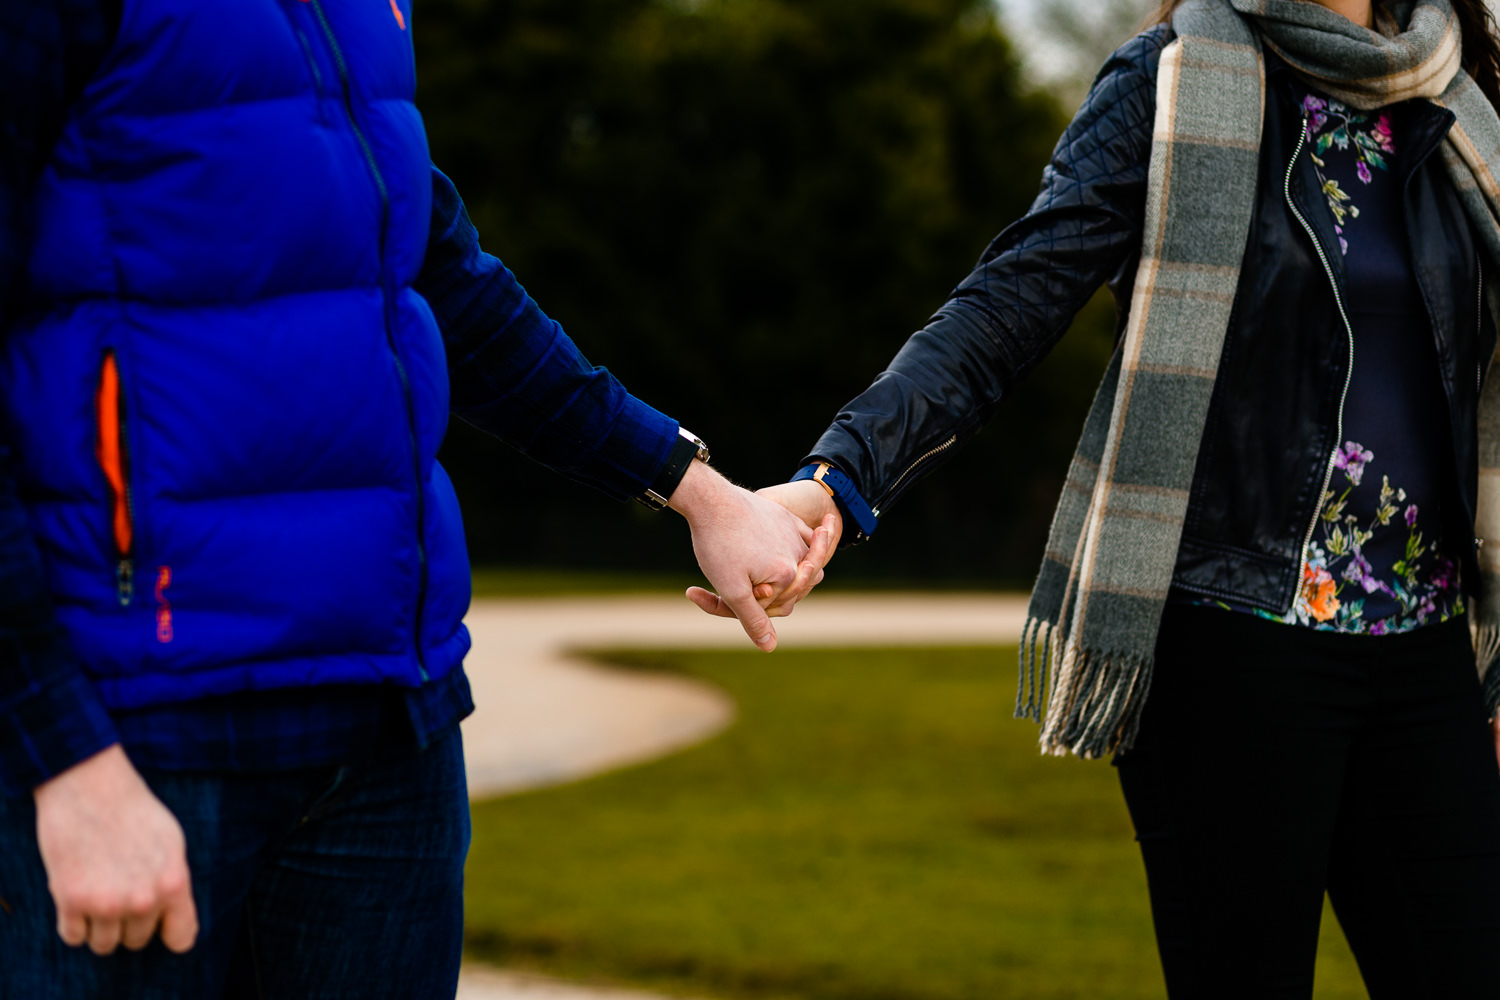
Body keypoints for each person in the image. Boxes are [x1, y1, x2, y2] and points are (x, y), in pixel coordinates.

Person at [0, 1, 832, 996]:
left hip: (393, 735)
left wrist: (694, 487)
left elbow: (445, 283)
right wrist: (65, 758)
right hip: (138, 733)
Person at [696, 0, 1500, 993]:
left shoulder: (1463, 96)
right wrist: (843, 470)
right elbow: (1007, 303)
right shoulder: (1167, 79)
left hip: (1426, 648)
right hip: (1230, 641)